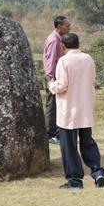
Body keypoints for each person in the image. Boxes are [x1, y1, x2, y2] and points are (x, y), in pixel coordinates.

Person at [49, 33, 104, 190]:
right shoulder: (88, 59)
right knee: (88, 143)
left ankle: (75, 181)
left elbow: (62, 86)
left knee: (69, 147)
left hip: (68, 111)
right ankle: (97, 171)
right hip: (85, 108)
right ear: (79, 44)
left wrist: (51, 85)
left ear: (63, 46)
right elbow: (92, 79)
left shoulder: (64, 61)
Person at [43, 15, 71, 144]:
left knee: (57, 106)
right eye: (67, 25)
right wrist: (51, 80)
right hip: (53, 79)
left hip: (56, 78)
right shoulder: (54, 41)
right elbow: (50, 62)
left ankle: (55, 134)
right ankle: (49, 135)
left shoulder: (58, 39)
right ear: (59, 26)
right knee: (52, 106)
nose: (69, 28)